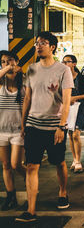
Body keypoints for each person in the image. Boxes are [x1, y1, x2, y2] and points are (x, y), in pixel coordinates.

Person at [17, 31, 73, 222]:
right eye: (37, 43)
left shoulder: (63, 70)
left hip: (54, 126)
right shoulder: (31, 69)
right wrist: (23, 124)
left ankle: (63, 192)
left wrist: (61, 126)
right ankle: (31, 210)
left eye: (43, 43)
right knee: (32, 165)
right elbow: (27, 98)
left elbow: (66, 102)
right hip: (33, 124)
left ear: (53, 47)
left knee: (59, 162)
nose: (39, 46)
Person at [0, 51, 26, 211]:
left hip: (18, 131)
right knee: (6, 165)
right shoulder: (1, 85)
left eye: (10, 61)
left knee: (16, 164)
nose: (8, 65)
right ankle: (11, 196)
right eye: (3, 62)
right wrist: (8, 67)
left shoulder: (23, 84)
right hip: (1, 131)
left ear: (17, 62)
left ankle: (30, 180)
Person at [62, 55, 84, 173]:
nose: (65, 64)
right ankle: (74, 160)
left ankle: (78, 161)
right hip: (68, 109)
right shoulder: (63, 78)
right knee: (70, 134)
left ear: (74, 64)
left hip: (80, 108)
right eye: (63, 62)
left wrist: (75, 97)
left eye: (67, 62)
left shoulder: (81, 78)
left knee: (76, 134)